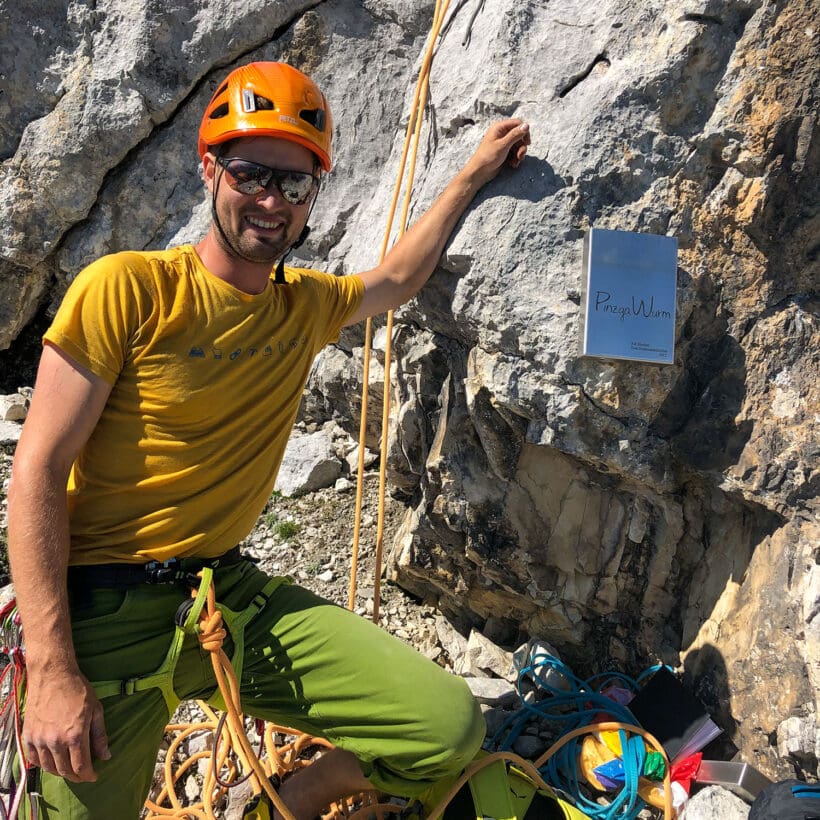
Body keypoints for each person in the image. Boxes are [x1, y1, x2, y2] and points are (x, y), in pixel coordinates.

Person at [7, 61, 530, 819]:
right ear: (209, 169)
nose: (270, 201)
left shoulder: (303, 306)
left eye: (294, 185)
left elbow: (397, 278)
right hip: (103, 615)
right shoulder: (128, 289)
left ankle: (289, 798)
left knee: (446, 728)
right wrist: (53, 669)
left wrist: (470, 176)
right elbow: (38, 471)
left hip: (227, 598)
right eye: (252, 174)